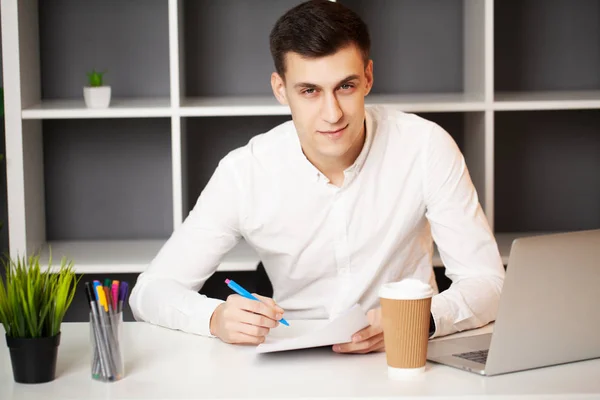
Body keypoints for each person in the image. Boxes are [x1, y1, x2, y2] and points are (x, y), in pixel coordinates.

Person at [129, 0, 505, 354]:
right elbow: (149, 292)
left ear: (368, 78)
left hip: (403, 353)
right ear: (280, 89)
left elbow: (488, 282)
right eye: (309, 91)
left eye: (346, 86)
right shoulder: (244, 172)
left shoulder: (425, 146)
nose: (332, 114)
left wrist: (416, 321)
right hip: (293, 358)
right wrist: (213, 318)